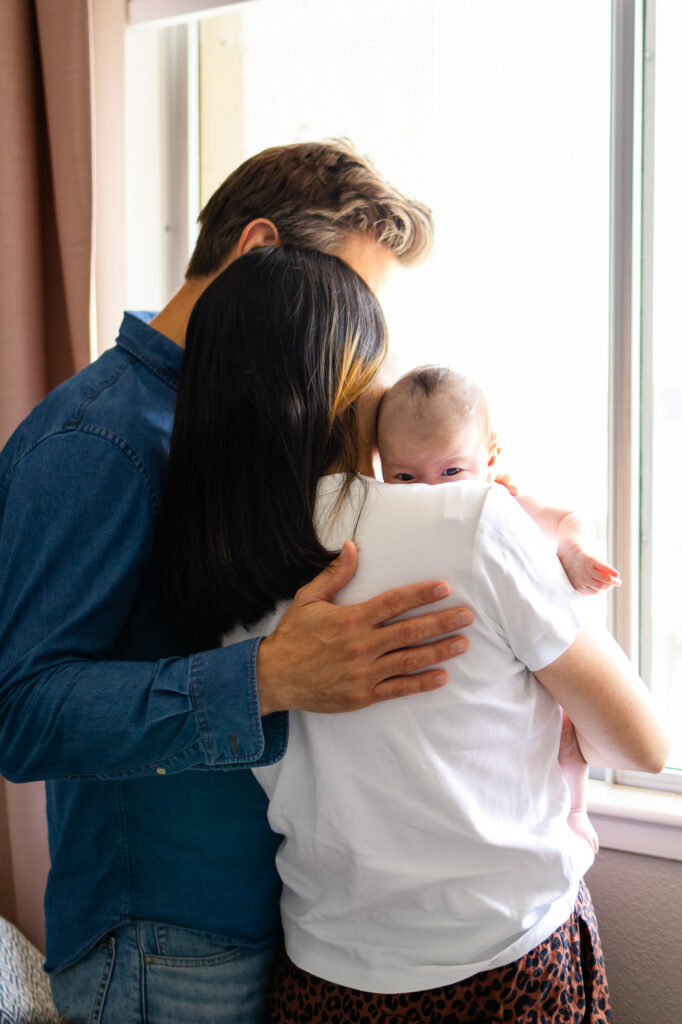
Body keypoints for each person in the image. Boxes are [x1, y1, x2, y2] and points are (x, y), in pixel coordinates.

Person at [0, 140, 475, 1023]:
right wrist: (266, 678)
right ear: (259, 254)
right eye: (347, 301)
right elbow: (20, 713)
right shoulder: (96, 443)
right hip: (165, 940)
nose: (348, 346)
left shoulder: (262, 421)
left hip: (286, 913)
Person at [162, 244, 669, 1023]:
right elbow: (643, 745)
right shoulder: (468, 519)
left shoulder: (208, 555)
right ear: (346, 381)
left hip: (325, 971)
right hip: (503, 960)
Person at [377, 363, 623, 852]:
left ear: (490, 456)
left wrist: (572, 554)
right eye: (405, 476)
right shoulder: (393, 520)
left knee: (567, 732)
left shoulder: (503, 499)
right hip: (483, 671)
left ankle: (575, 809)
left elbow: (570, 517)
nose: (431, 491)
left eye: (451, 471)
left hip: (540, 649)